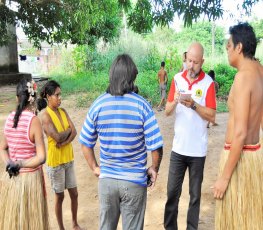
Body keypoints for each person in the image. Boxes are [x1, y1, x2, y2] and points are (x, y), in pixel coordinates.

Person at [79, 54, 163, 230]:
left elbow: (85, 142)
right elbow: (156, 146)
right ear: (131, 76)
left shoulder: (98, 104)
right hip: (134, 182)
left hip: (107, 182)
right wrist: (154, 168)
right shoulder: (142, 105)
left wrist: (95, 167)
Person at [213, 23, 263, 230]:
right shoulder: (260, 72)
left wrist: (224, 178)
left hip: (240, 161)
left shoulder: (243, 77)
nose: (227, 50)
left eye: (228, 46)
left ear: (239, 47)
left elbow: (240, 133)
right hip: (255, 158)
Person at [163, 42, 216, 230]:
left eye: (195, 62)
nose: (191, 65)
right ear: (185, 58)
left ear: (202, 61)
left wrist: (193, 104)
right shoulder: (177, 79)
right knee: (172, 194)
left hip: (197, 152)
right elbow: (167, 111)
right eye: (189, 61)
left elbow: (212, 115)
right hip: (178, 149)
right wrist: (176, 99)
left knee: (195, 196)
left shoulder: (208, 84)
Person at [0, 79, 49, 230]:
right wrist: (20, 163)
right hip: (29, 180)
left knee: (14, 223)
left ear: (17, 98)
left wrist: (9, 163)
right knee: (31, 224)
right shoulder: (33, 120)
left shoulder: (9, 118)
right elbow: (41, 157)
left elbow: (2, 148)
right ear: (32, 98)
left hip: (12, 180)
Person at [37, 80, 82, 230]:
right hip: (56, 162)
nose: (60, 98)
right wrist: (66, 133)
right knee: (60, 196)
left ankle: (75, 224)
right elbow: (56, 137)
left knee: (74, 193)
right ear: (48, 97)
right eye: (57, 95)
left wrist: (64, 140)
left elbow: (74, 131)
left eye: (60, 94)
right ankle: (62, 228)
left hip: (68, 158)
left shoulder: (63, 111)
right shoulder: (45, 115)